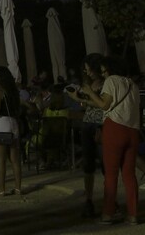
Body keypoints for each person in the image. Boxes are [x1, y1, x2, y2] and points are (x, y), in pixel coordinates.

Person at [81, 56, 141, 225]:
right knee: (129, 175)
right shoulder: (133, 85)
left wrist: (90, 92)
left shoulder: (111, 81)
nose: (102, 72)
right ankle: (133, 214)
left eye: (104, 70)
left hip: (115, 129)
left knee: (111, 174)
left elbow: (104, 105)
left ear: (110, 69)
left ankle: (108, 213)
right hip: (133, 130)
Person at [65, 53, 104, 218]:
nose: (87, 73)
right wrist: (78, 99)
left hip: (100, 124)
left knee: (105, 164)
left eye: (89, 69)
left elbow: (103, 105)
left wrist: (85, 99)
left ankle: (110, 200)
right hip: (88, 124)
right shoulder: (90, 83)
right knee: (88, 165)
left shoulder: (106, 83)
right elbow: (89, 105)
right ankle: (89, 201)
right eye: (86, 70)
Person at [0, 66, 22, 196]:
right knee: (15, 160)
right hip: (13, 125)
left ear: (0, 77)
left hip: (2, 126)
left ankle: (1, 189)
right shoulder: (14, 91)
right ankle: (18, 188)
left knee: (1, 160)